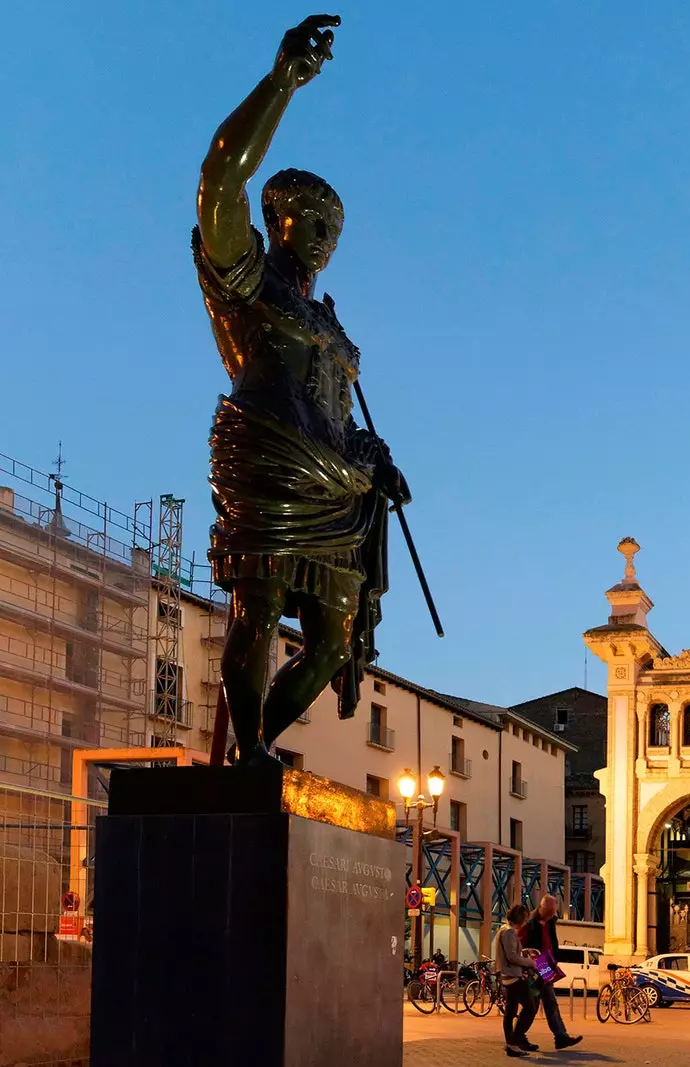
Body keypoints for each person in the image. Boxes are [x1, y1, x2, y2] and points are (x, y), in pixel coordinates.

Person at [194, 16, 411, 766]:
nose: (320, 236)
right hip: (273, 463)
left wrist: (375, 459)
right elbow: (220, 176)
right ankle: (247, 749)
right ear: (274, 217)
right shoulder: (249, 281)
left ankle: (252, 754)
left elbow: (342, 419)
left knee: (330, 644)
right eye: (308, 219)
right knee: (255, 608)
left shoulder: (330, 323)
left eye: (332, 229)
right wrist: (283, 79)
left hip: (335, 485)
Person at [519, 894, 583, 1050]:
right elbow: (521, 946)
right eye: (548, 912)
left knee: (550, 1001)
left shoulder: (550, 922)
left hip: (546, 965)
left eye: (552, 913)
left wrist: (554, 960)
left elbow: (552, 943)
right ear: (541, 908)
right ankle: (518, 1036)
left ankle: (560, 1036)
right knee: (532, 1004)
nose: (550, 916)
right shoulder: (529, 924)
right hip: (535, 966)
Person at [495, 904, 538, 1058]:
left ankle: (511, 1044)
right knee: (530, 1007)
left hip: (507, 976)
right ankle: (514, 1041)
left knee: (511, 1010)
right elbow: (512, 956)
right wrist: (530, 963)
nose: (526, 922)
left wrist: (524, 953)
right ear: (521, 919)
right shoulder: (509, 932)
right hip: (513, 976)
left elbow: (513, 953)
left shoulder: (503, 929)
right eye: (525, 919)